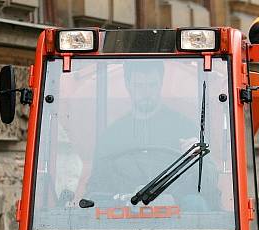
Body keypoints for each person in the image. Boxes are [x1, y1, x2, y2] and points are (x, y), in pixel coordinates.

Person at [86, 59, 220, 212]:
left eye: (152, 85)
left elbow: (209, 185)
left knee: (195, 202)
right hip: (122, 220)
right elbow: (96, 188)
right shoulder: (112, 136)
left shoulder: (184, 128)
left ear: (160, 84)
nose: (146, 92)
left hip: (178, 223)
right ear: (128, 85)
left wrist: (199, 158)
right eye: (139, 86)